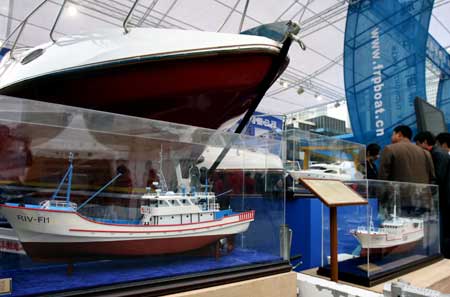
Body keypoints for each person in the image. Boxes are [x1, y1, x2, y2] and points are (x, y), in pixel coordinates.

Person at [378, 125, 435, 216]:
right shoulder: (425, 153)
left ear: (399, 134)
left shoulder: (389, 149)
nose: (391, 137)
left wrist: (382, 199)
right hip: (422, 202)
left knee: (398, 228)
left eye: (393, 135)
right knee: (416, 229)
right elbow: (432, 178)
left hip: (399, 201)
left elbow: (383, 177)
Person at [416, 131, 450, 258]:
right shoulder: (438, 153)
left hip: (444, 198)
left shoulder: (438, 154)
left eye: (418, 144)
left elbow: (439, 177)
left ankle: (444, 254)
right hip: (444, 197)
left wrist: (427, 190)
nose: (417, 147)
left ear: (424, 142)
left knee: (444, 229)